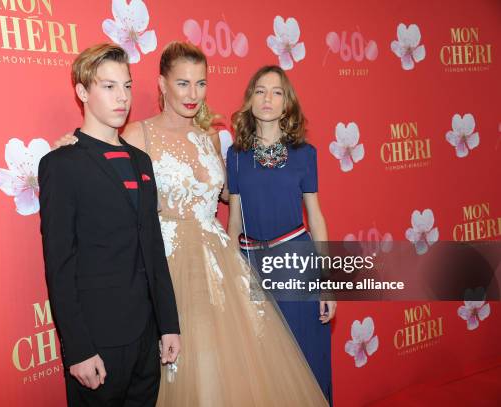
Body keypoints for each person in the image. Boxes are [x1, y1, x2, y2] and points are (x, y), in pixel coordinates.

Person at [56, 42, 328, 406]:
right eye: (182, 83)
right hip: (169, 263)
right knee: (191, 364)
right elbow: (99, 159)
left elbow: (232, 195)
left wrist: (282, 164)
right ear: (161, 84)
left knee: (233, 365)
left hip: (220, 263)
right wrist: (71, 144)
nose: (193, 93)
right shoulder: (138, 134)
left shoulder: (212, 137)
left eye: (201, 83)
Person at [38, 43, 180, 407]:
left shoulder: (141, 161)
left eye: (127, 86)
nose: (123, 98)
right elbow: (59, 265)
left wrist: (168, 324)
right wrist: (78, 349)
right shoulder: (62, 164)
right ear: (83, 92)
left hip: (146, 338)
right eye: (109, 86)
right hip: (97, 344)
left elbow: (153, 248)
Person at [226, 65, 336, 403]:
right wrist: (231, 276)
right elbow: (234, 221)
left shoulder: (305, 154)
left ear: (287, 103)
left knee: (307, 358)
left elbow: (316, 217)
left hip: (297, 263)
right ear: (250, 99)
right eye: (260, 90)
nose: (267, 98)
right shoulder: (236, 156)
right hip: (252, 268)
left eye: (276, 91)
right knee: (261, 366)